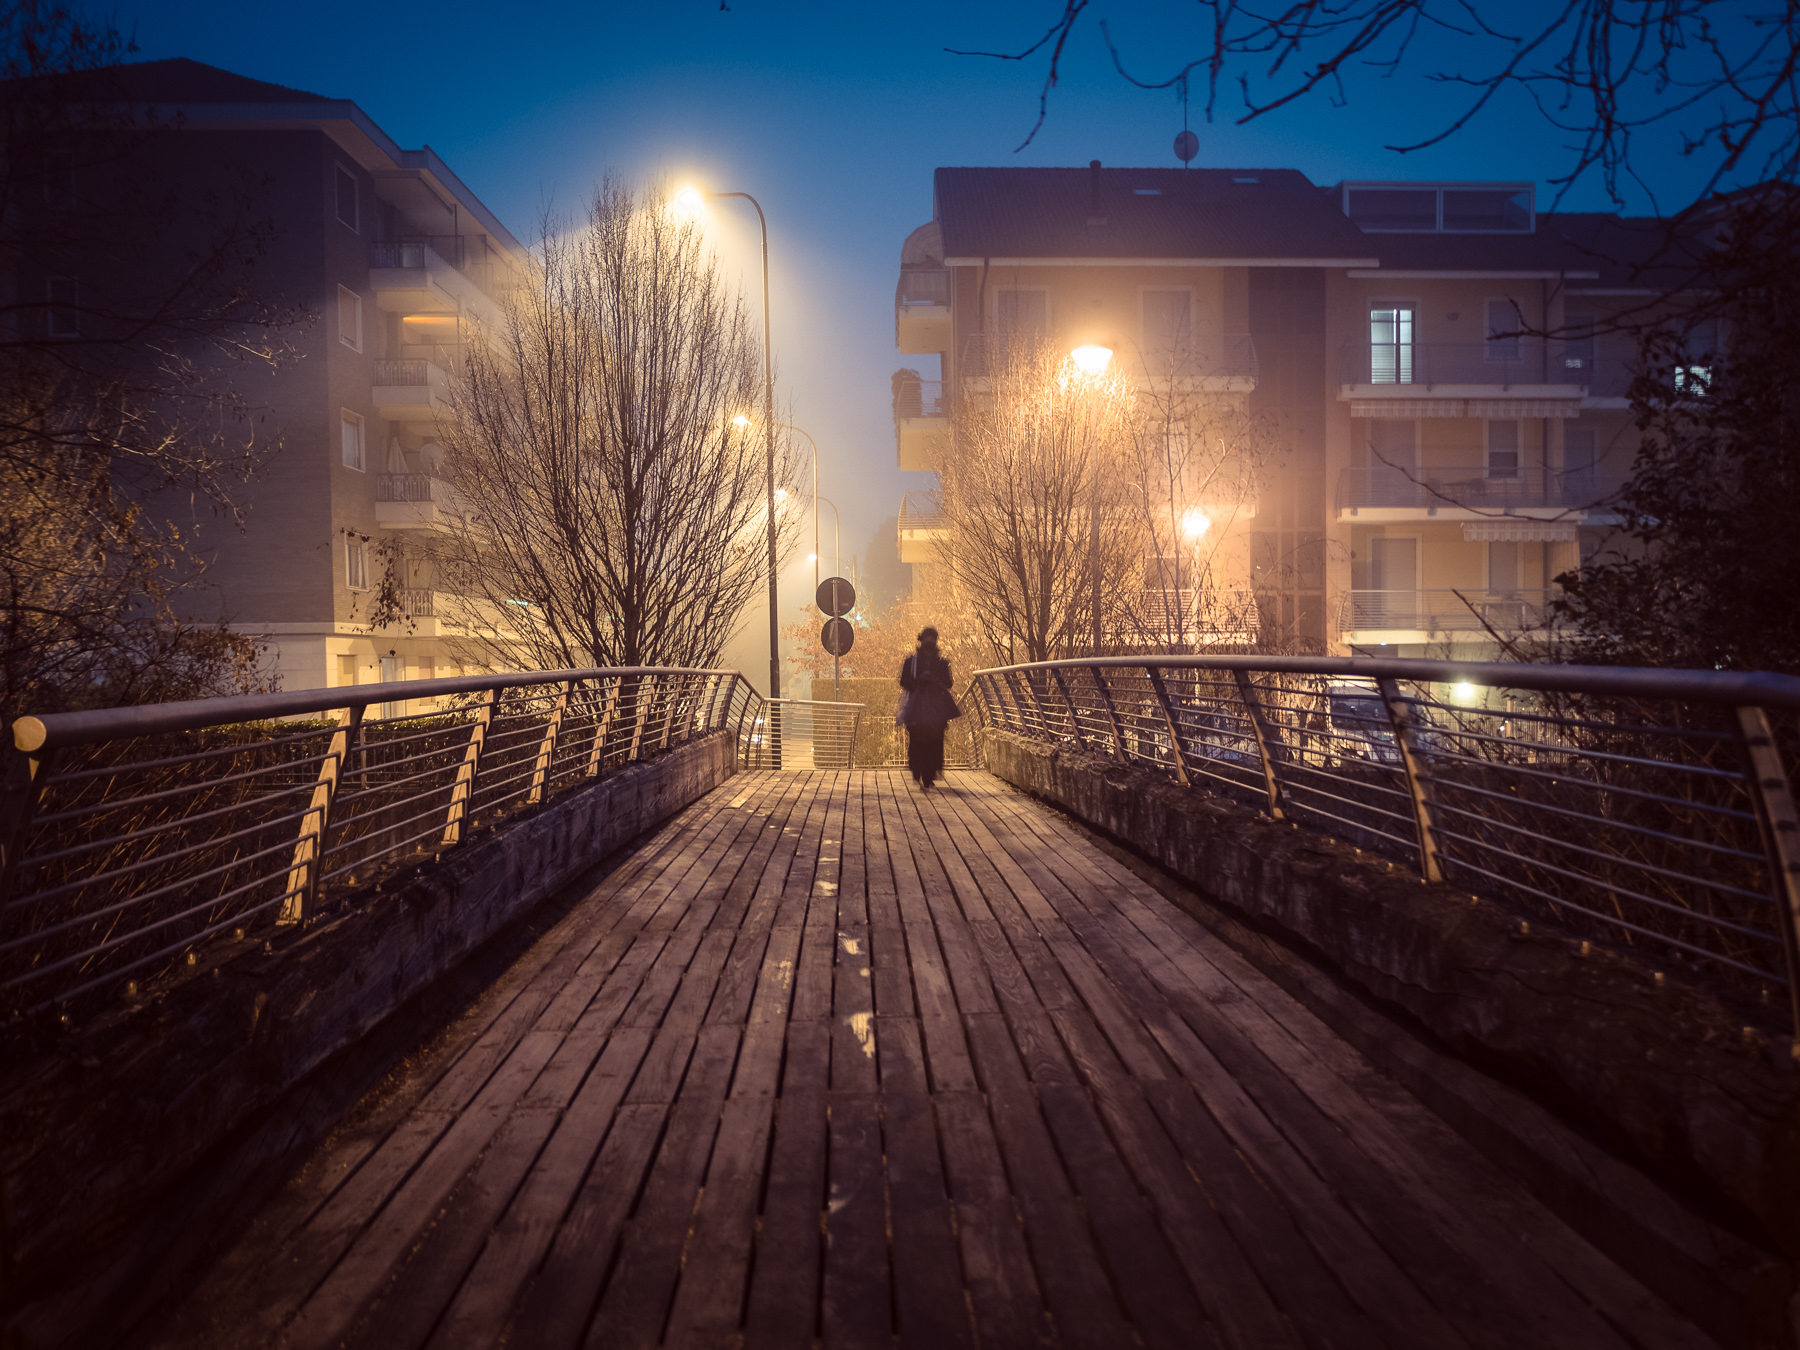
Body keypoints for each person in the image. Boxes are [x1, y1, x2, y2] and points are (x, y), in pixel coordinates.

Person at [898, 627, 959, 791]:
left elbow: (947, 683)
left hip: (925, 710)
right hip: (927, 709)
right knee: (929, 742)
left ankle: (923, 772)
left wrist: (929, 680)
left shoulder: (914, 662)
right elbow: (948, 683)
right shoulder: (935, 663)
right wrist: (922, 682)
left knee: (925, 741)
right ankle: (923, 772)